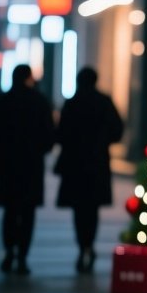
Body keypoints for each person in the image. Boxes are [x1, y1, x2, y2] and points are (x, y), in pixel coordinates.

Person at [0, 65, 56, 275]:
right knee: (28, 212)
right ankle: (23, 255)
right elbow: (49, 135)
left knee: (10, 210)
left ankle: (9, 251)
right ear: (28, 78)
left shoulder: (3, 101)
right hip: (32, 166)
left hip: (8, 166)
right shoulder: (40, 101)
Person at [55, 68, 124, 273]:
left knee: (78, 209)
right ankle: (89, 245)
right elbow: (117, 130)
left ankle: (82, 246)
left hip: (75, 164)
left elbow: (61, 134)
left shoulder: (72, 103)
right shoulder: (104, 102)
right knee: (92, 209)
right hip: (97, 163)